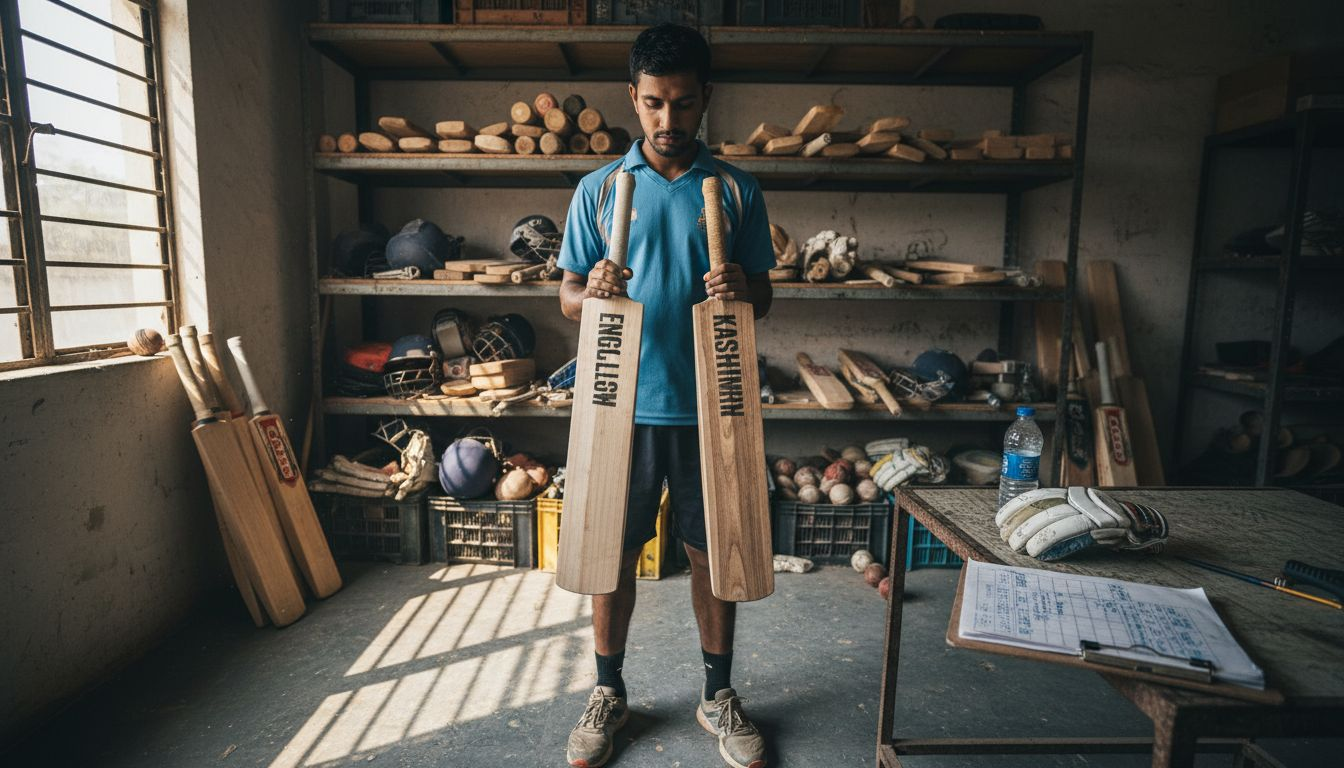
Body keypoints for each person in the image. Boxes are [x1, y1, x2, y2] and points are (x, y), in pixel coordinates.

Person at [554, 22, 776, 768]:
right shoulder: (599, 190)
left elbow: (763, 296)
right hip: (618, 405)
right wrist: (592, 292)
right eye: (654, 103)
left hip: (712, 406)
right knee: (609, 555)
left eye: (682, 103)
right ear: (633, 98)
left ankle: (718, 693)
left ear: (705, 97)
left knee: (714, 554)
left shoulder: (736, 190)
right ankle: (608, 691)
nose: (668, 119)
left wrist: (742, 288)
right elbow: (567, 296)